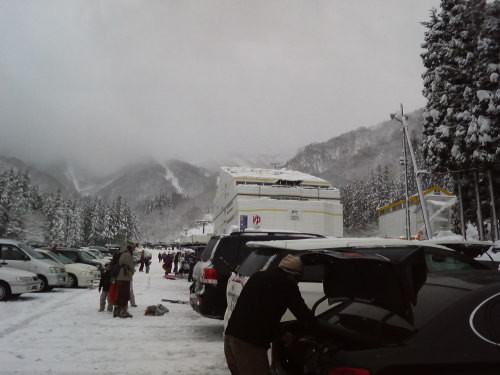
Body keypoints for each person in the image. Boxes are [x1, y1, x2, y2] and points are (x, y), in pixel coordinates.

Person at [224, 255, 318, 375]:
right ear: (293, 275)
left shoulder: (258, 276)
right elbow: (303, 315)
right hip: (248, 344)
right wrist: (323, 335)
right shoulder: (287, 285)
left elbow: (260, 313)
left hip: (231, 337)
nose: (298, 283)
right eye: (299, 279)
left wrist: (281, 333)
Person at [115, 241, 136, 318]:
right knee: (125, 294)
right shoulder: (127, 255)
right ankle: (123, 311)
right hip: (124, 277)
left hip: (121, 277)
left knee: (121, 294)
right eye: (134, 247)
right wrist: (132, 271)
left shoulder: (123, 253)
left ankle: (117, 310)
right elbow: (131, 266)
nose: (134, 249)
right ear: (130, 247)